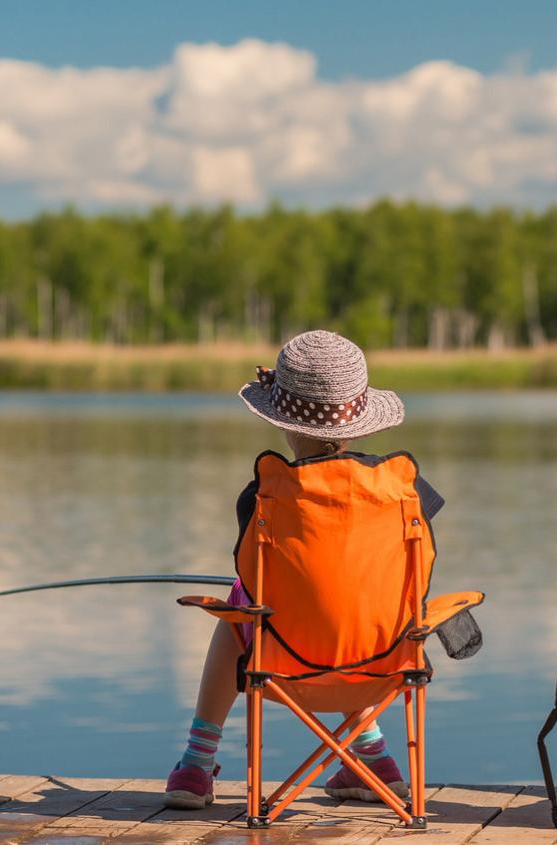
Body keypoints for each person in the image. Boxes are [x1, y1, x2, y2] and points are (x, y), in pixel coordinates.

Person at [164, 329, 437, 810]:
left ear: (283, 423)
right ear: (359, 421)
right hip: (385, 663)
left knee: (236, 607)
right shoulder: (404, 491)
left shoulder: (266, 496)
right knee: (357, 600)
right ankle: (374, 756)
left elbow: (256, 577)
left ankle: (196, 763)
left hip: (282, 664)